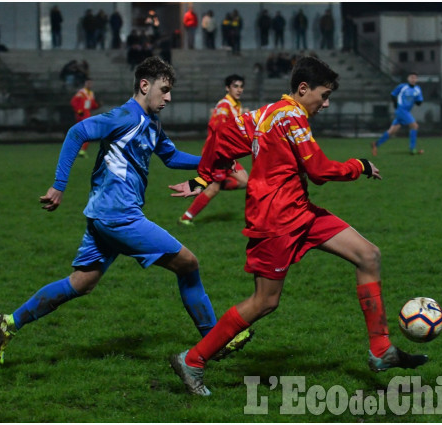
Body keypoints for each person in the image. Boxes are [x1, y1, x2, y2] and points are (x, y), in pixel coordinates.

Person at [168, 56, 428, 396]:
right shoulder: (292, 117)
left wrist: (204, 177)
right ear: (303, 89)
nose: (326, 103)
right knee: (264, 301)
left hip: (300, 211)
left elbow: (223, 139)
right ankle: (193, 359)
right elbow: (319, 171)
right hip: (275, 221)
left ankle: (380, 350)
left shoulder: (265, 113)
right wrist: (358, 165)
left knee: (368, 255)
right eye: (324, 95)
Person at [0, 57, 252, 367]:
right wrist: (59, 185)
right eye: (164, 90)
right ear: (145, 85)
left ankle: (8, 322)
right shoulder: (124, 117)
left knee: (81, 282)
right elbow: (77, 132)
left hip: (104, 215)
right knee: (188, 263)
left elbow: (170, 156)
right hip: (119, 215)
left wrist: (215, 161)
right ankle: (216, 339)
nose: (168, 98)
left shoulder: (152, 122)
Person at [178, 75, 249, 226]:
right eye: (235, 86)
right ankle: (186, 218)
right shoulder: (225, 105)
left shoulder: (234, 104)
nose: (239, 89)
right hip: (217, 153)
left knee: (245, 181)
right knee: (214, 188)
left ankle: (213, 184)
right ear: (227, 88)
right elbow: (219, 129)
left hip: (227, 153)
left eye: (241, 86)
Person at [371, 72, 424, 156]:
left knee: (392, 131)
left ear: (417, 79)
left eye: (415, 78)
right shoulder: (402, 87)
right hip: (401, 110)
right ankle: (412, 148)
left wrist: (418, 101)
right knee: (414, 126)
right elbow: (393, 94)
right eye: (411, 77)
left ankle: (376, 144)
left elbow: (419, 101)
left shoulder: (417, 89)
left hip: (406, 111)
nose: (413, 79)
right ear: (408, 78)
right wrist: (395, 104)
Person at [70, 79, 100, 158]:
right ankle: (82, 150)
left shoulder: (91, 93)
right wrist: (79, 111)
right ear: (85, 84)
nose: (89, 84)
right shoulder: (81, 93)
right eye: (88, 83)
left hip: (86, 115)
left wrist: (97, 105)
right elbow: (73, 102)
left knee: (82, 133)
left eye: (90, 83)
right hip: (82, 115)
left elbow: (91, 105)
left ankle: (78, 149)